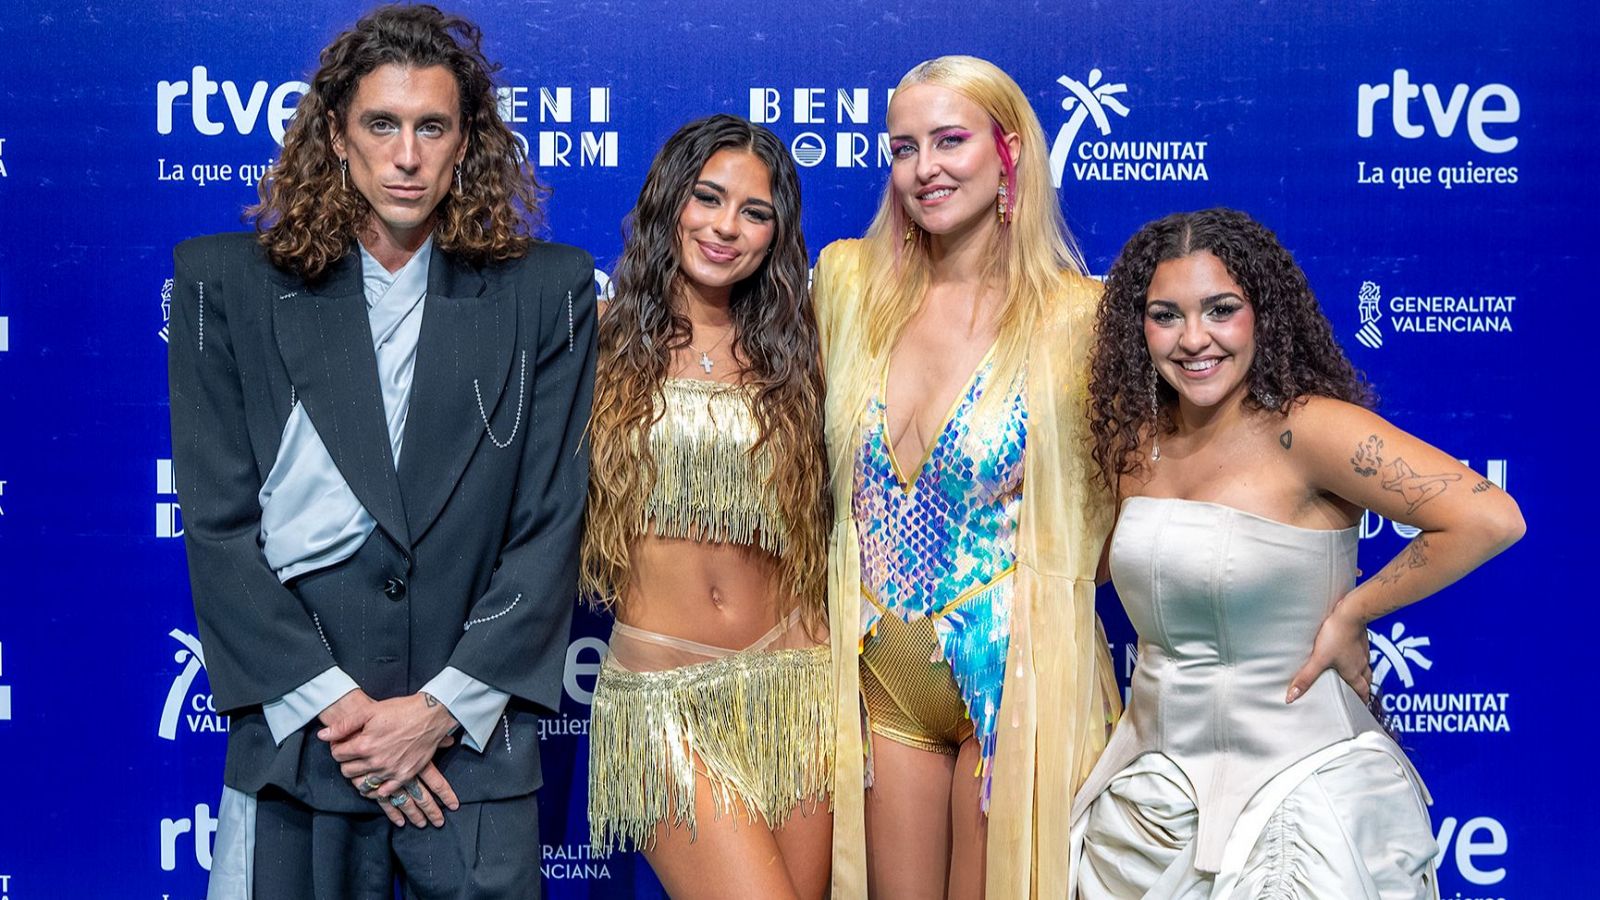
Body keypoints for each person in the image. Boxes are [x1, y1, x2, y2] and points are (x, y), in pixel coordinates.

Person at [166, 5, 595, 897]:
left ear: (467, 140)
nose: (407, 156)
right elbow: (217, 530)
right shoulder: (226, 286)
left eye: (432, 126)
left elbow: (549, 528)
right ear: (336, 134)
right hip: (304, 751)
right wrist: (346, 711)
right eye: (382, 124)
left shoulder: (548, 293)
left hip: (468, 766)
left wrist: (436, 711)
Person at [1071, 208, 1525, 897]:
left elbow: (1489, 516)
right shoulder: (1136, 446)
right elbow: (1086, 565)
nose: (1195, 339)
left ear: (1263, 314)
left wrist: (1353, 613)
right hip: (1146, 811)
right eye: (1167, 316)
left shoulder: (1307, 430)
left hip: (1299, 803)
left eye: (1221, 310)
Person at [811, 56, 1120, 899]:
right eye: (904, 147)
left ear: (1008, 152)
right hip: (878, 679)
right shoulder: (844, 285)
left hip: (1015, 674)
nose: (925, 169)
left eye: (950, 141)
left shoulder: (1077, 317)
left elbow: (1132, 510)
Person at [581, 115, 833, 899]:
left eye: (755, 212)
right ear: (670, 203)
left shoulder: (805, 352)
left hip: (795, 688)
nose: (727, 227)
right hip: (662, 703)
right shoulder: (594, 342)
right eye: (709, 198)